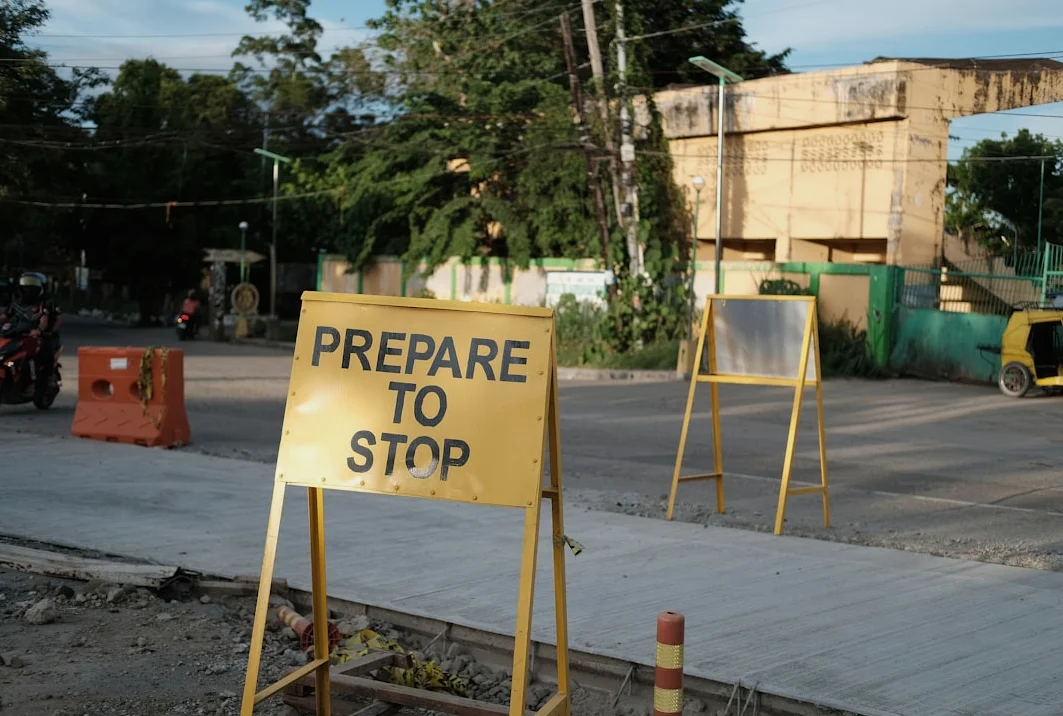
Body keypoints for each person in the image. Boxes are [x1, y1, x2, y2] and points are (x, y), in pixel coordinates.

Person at [0, 272, 61, 389]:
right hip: (18, 333)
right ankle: (12, 373)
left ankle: (37, 383)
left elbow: (44, 321)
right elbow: (5, 316)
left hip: (41, 336)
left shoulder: (45, 303)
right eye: (26, 284)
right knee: (8, 355)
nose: (28, 288)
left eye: (32, 284)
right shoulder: (16, 303)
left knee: (34, 355)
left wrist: (38, 330)